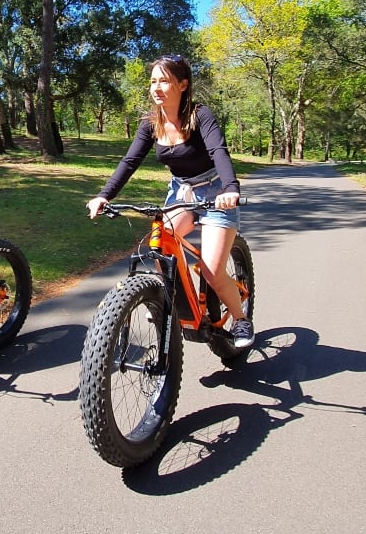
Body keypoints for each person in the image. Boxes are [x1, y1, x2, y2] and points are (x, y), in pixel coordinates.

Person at [86, 54, 254, 348]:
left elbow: (218, 152)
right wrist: (104, 195)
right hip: (181, 191)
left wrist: (231, 188)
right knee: (161, 242)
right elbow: (130, 161)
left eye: (164, 80)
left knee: (213, 270)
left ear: (183, 85)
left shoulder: (200, 115)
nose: (157, 88)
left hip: (215, 191)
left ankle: (241, 320)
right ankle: (180, 301)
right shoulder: (152, 123)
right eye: (153, 81)